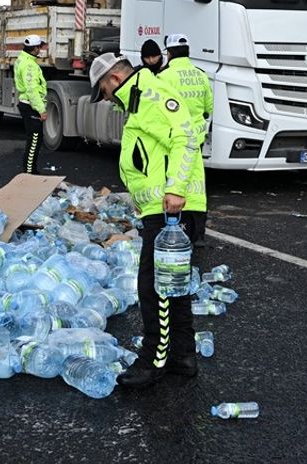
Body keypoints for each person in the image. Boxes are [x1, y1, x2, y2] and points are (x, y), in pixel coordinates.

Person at [88, 52, 204, 389]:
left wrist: (176, 189)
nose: (106, 99)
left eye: (104, 91)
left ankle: (154, 360)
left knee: (155, 287)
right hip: (164, 207)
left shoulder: (151, 95)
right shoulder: (139, 99)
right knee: (173, 285)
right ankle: (183, 356)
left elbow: (185, 137)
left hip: (171, 209)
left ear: (113, 79)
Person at [158, 33, 214, 244]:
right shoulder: (201, 75)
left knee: (175, 181)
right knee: (196, 185)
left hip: (174, 139)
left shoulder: (164, 77)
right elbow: (208, 107)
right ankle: (197, 232)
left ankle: (174, 227)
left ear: (169, 53)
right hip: (196, 139)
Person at [13, 34, 48, 174]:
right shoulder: (30, 65)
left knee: (33, 138)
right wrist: (41, 110)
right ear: (35, 49)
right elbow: (32, 90)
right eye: (39, 47)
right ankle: (30, 172)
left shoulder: (22, 59)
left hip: (26, 104)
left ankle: (30, 170)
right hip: (31, 106)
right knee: (34, 140)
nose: (40, 50)